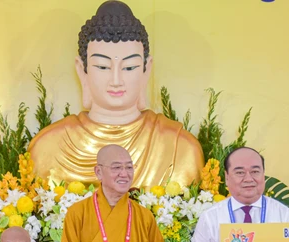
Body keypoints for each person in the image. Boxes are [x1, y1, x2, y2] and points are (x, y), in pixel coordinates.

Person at [29, 1, 204, 188]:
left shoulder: (180, 148)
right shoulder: (47, 147)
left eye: (129, 67)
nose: (116, 80)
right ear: (82, 69)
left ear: (146, 69)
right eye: (102, 67)